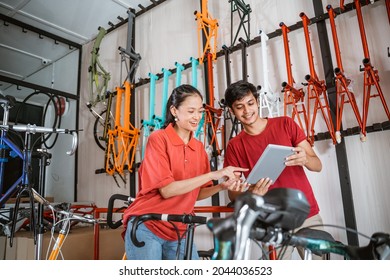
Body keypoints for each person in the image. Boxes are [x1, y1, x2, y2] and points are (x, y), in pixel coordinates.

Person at [122, 84, 247, 260]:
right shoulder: (159, 139)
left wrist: (222, 187)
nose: (197, 117)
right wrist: (213, 174)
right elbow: (167, 190)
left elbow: (196, 193)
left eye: (200, 111)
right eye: (191, 111)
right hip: (148, 225)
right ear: (174, 111)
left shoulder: (199, 148)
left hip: (178, 229)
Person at [223, 80, 324, 260]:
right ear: (232, 111)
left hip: (306, 214)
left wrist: (306, 159)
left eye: (250, 103)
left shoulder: (286, 124)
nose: (247, 111)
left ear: (257, 101)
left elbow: (317, 165)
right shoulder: (234, 146)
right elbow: (232, 193)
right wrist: (251, 191)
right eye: (239, 107)